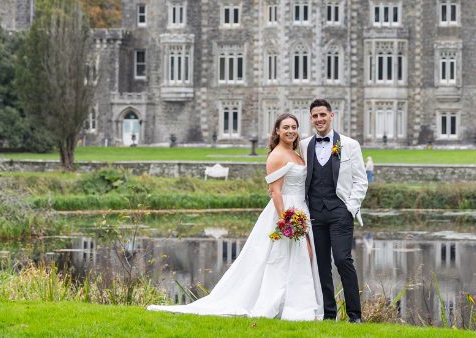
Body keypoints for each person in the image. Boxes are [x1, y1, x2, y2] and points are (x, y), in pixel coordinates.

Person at [147, 113, 323, 320]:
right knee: (283, 258)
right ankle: (283, 305)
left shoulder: (297, 152)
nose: (291, 131)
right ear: (277, 130)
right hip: (286, 212)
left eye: (294, 127)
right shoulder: (277, 155)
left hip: (301, 208)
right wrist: (286, 221)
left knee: (300, 257)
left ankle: (292, 305)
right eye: (286, 127)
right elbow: (275, 191)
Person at [301, 99, 368, 323]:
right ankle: (329, 315)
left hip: (340, 211)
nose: (319, 119)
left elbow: (361, 180)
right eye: (315, 116)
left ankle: (355, 315)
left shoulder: (350, 144)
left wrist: (350, 208)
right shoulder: (304, 145)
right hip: (314, 214)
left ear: (332, 115)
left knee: (342, 260)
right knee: (321, 265)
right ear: (311, 119)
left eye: (323, 115)